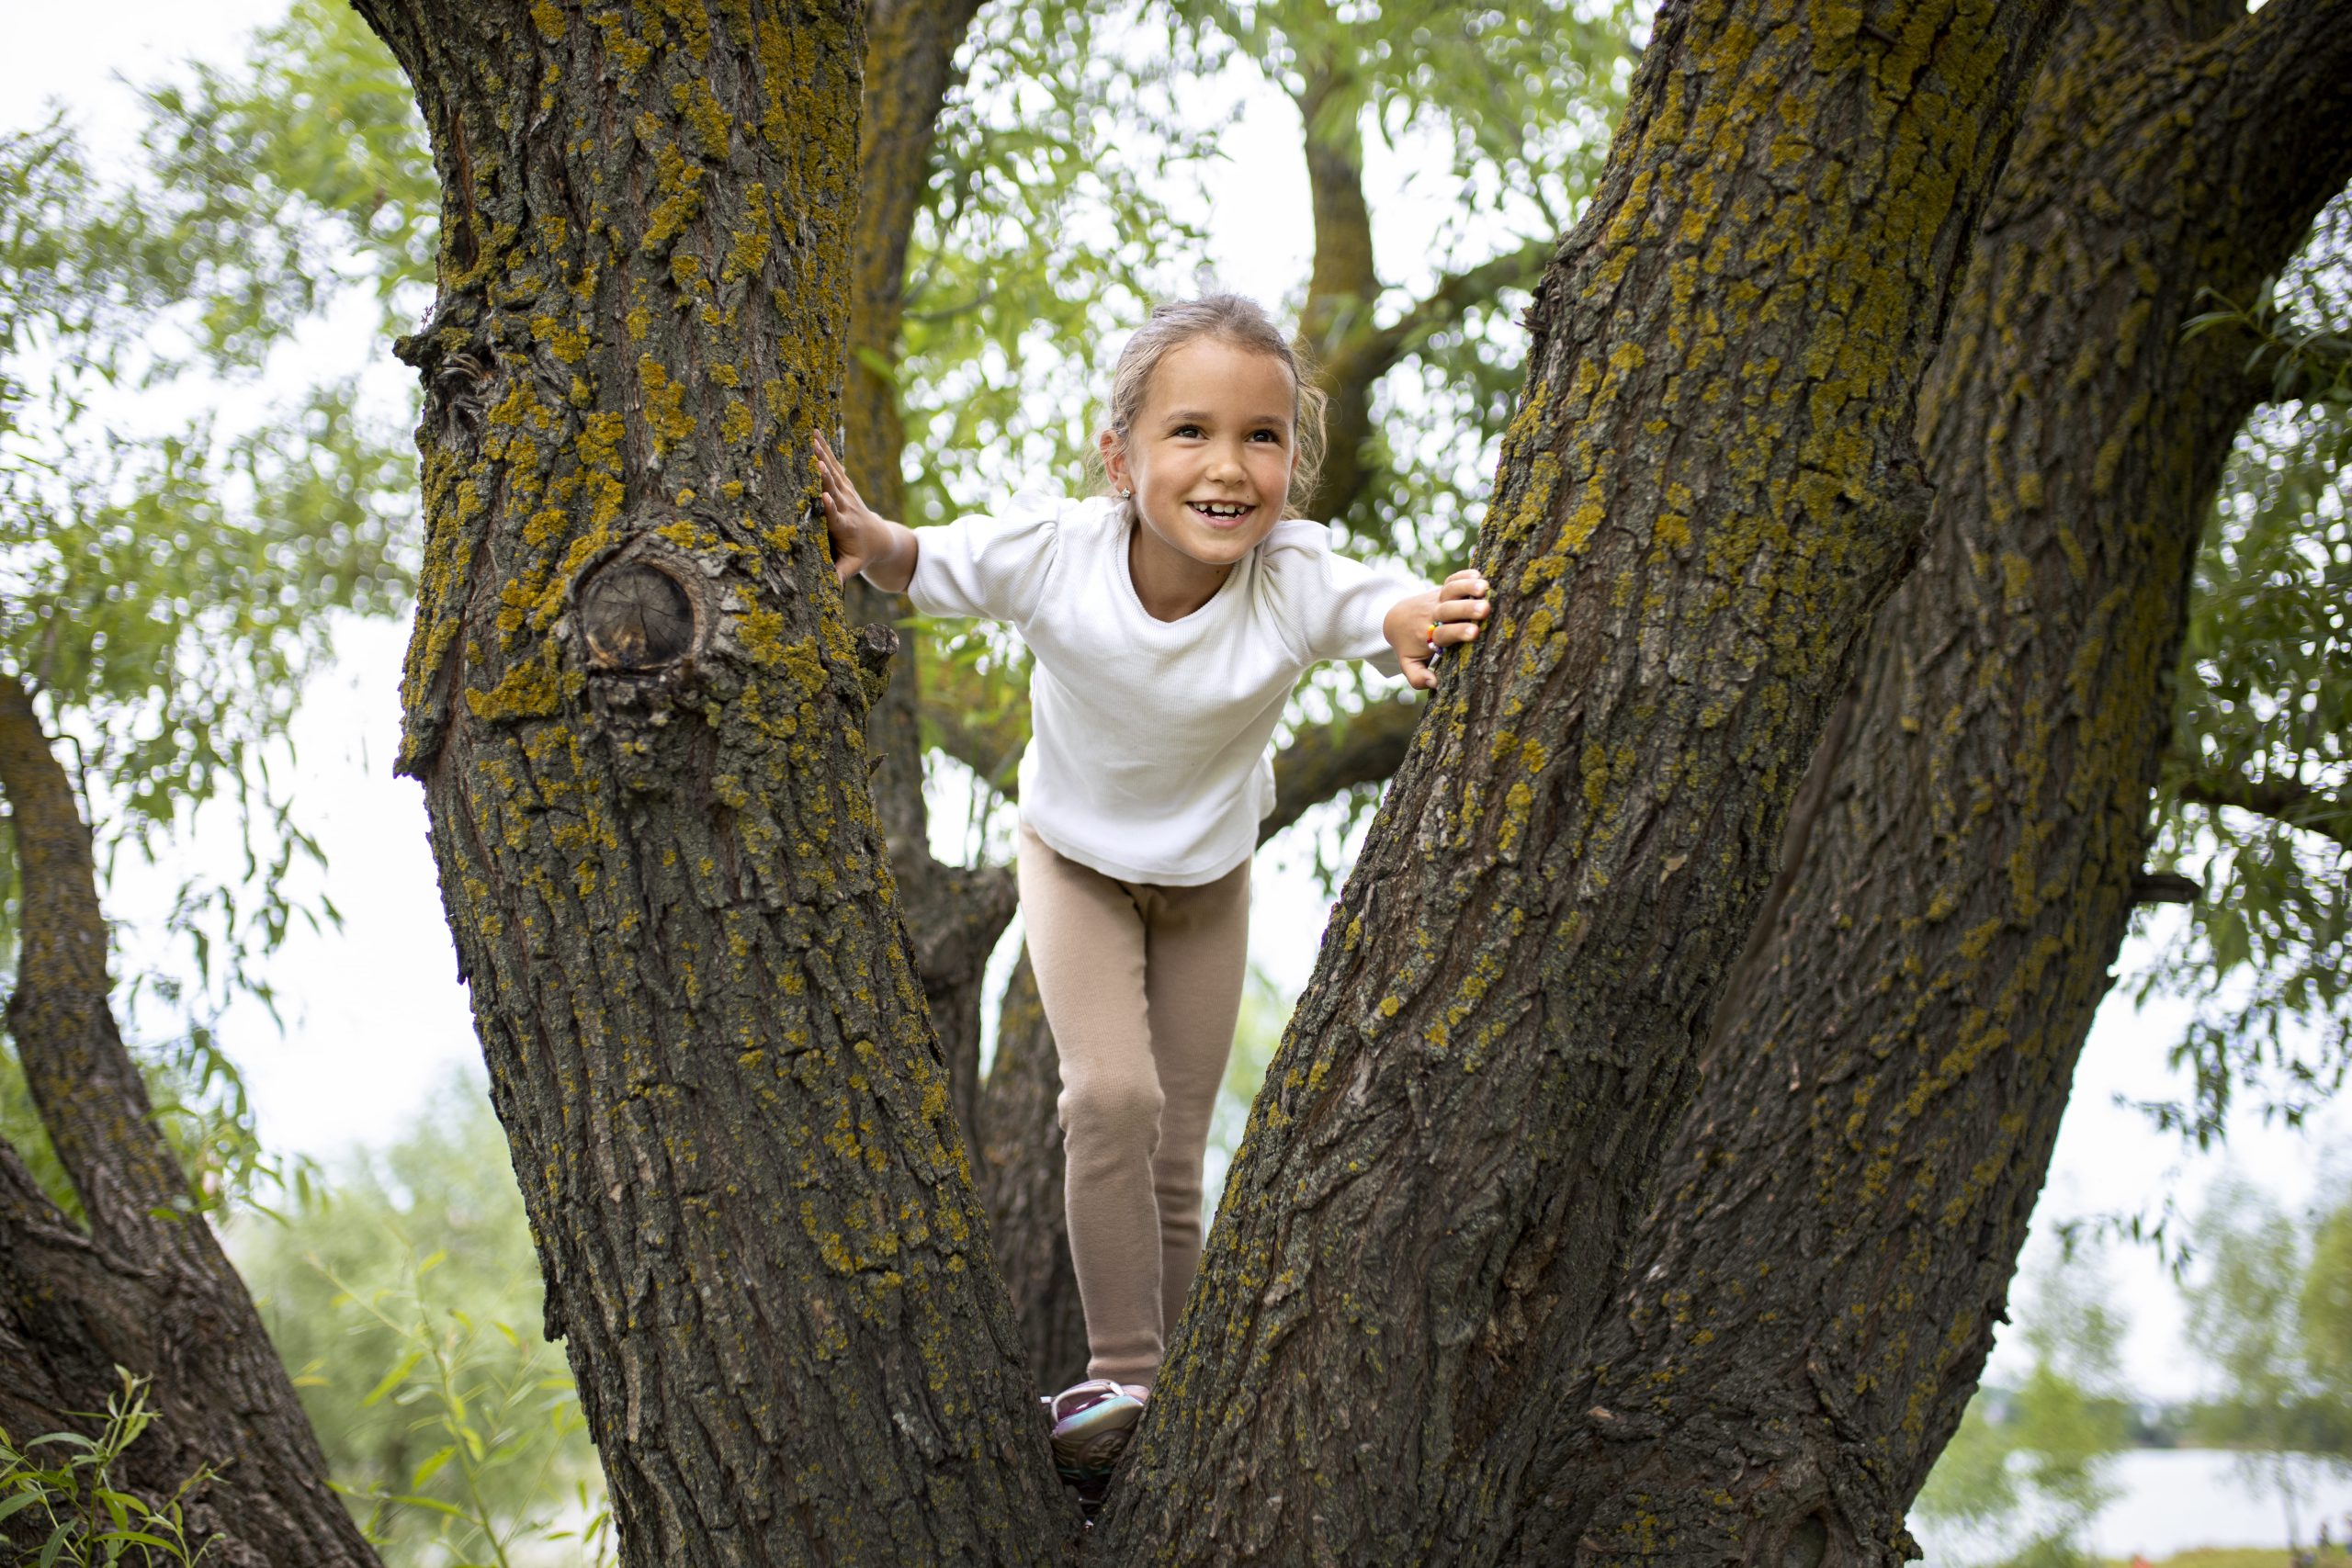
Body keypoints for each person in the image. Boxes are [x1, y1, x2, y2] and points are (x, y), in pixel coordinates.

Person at [814, 294, 1488, 1488]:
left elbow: (1369, 599)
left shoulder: (1287, 573)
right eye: (1191, 432)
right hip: (1073, 861)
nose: (1229, 467)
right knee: (1114, 1100)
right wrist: (868, 538)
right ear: (1121, 457)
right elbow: (926, 561)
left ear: (1294, 460)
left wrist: (1414, 619)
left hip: (1209, 883)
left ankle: (1172, 1401)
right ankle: (1123, 1369)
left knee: (1176, 1157)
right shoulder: (1060, 553)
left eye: (1263, 437)